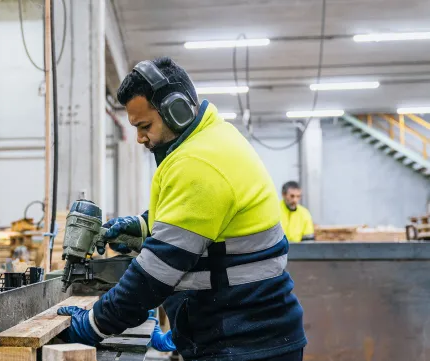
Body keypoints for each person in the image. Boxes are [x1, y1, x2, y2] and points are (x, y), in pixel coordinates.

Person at [57, 57, 306, 361]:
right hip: (248, 331)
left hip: (245, 343)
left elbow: (154, 275)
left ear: (177, 111)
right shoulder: (210, 140)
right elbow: (205, 224)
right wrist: (143, 226)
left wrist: (92, 325)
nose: (139, 138)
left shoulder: (197, 164)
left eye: (144, 126)